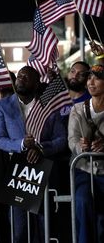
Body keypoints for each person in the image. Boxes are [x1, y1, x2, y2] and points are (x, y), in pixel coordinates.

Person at [0, 65, 67, 243]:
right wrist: (21, 144)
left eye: (26, 77)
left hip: (43, 172)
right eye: (19, 76)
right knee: (19, 229)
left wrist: (41, 148)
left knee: (44, 227)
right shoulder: (1, 106)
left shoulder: (48, 107)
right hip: (16, 173)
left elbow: (61, 139)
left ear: (37, 82)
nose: (20, 79)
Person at [68, 64, 104, 243]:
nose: (91, 82)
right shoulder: (77, 109)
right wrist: (80, 147)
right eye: (89, 78)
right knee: (82, 202)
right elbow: (72, 139)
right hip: (84, 170)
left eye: (97, 78)